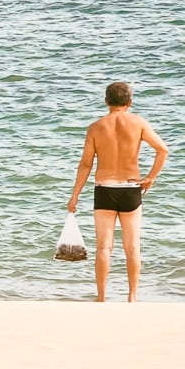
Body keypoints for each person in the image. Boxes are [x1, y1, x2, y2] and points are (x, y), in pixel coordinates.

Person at [65, 81, 169, 302]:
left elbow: (85, 164)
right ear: (130, 102)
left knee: (104, 247)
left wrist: (75, 196)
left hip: (105, 190)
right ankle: (132, 297)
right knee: (132, 248)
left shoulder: (95, 127)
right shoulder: (138, 123)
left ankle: (101, 297)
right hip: (130, 190)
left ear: (106, 101)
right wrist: (151, 177)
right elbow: (163, 150)